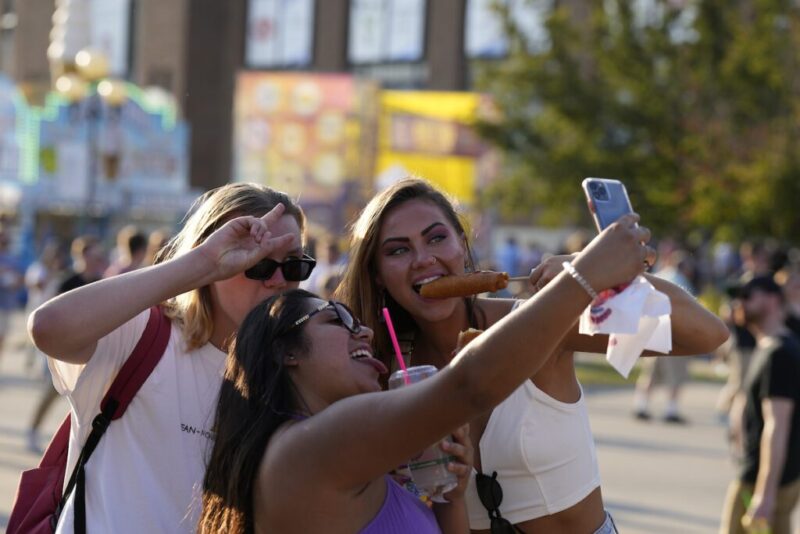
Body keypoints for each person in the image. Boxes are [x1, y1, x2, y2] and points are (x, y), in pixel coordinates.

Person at [198, 214, 653, 533]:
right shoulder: (310, 444)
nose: (362, 335)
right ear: (285, 353)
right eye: (337, 320)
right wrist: (583, 278)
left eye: (359, 324)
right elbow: (468, 386)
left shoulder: (351, 453)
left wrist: (450, 500)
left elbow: (691, 332)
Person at [335, 178, 730, 533]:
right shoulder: (379, 371)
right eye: (398, 250)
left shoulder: (541, 322)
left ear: (463, 244)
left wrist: (587, 274)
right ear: (377, 275)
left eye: (436, 238)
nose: (423, 259)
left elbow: (704, 333)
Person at [28, 183, 310, 533]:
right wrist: (203, 264)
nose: (279, 280)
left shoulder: (296, 370)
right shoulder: (143, 334)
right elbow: (48, 327)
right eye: (259, 263)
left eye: (295, 265)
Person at [720, 275, 800, 534]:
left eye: (748, 296)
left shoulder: (780, 354)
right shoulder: (768, 347)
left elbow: (777, 426)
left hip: (760, 483)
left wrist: (764, 496)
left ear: (774, 300)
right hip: (758, 477)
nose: (739, 302)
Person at [632, 247, 697, 424]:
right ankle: (671, 409)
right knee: (675, 374)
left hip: (652, 330)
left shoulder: (659, 275)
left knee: (651, 373)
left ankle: (641, 405)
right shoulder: (681, 281)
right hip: (671, 332)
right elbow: (685, 310)